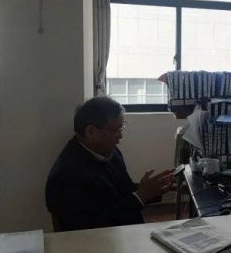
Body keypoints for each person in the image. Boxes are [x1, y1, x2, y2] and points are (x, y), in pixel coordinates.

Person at [46, 97, 174, 231]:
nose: (120, 136)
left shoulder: (109, 152)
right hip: (98, 240)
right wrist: (140, 196)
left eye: (121, 128)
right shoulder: (66, 176)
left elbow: (124, 190)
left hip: (126, 232)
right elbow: (93, 227)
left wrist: (157, 187)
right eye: (115, 130)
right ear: (91, 131)